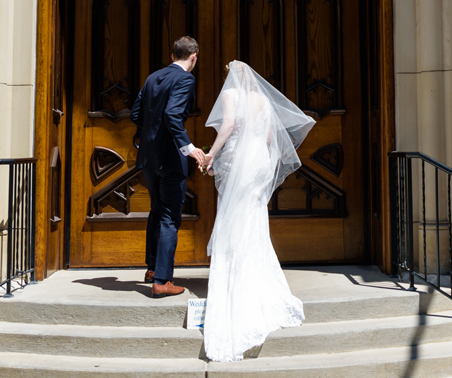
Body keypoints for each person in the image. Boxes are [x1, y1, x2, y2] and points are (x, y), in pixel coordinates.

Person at [196, 61, 316, 360]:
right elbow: (269, 138)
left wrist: (211, 153)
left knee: (233, 216)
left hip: (241, 161)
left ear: (231, 79)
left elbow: (229, 125)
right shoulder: (263, 99)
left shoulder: (231, 95)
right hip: (259, 160)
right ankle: (258, 275)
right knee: (253, 216)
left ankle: (235, 277)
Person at [130, 36, 206, 297]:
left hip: (149, 157)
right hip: (172, 157)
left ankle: (152, 268)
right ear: (193, 57)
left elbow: (135, 114)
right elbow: (173, 114)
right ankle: (162, 280)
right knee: (169, 218)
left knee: (156, 210)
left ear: (173, 55)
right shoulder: (185, 79)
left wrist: (152, 135)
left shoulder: (153, 77)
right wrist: (190, 148)